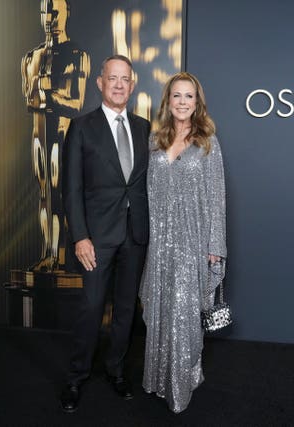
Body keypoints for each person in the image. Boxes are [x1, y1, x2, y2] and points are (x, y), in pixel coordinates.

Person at [59, 55, 151, 413]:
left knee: (127, 308)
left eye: (124, 79)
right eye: (112, 78)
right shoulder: (81, 127)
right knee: (92, 307)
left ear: (133, 84)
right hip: (95, 238)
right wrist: (80, 236)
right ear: (100, 82)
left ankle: (115, 370)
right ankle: (76, 377)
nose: (118, 84)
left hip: (136, 235)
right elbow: (71, 189)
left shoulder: (145, 128)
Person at [139, 72, 227, 413]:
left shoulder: (208, 141)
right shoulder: (154, 140)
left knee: (185, 315)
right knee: (161, 309)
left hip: (193, 241)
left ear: (197, 102)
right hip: (160, 242)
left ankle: (182, 382)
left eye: (189, 97)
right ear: (168, 100)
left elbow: (217, 198)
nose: (182, 102)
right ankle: (159, 379)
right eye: (177, 96)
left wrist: (214, 246)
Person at [21, 0, 90, 271]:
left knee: (61, 196)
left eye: (55, 11)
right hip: (39, 137)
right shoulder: (31, 57)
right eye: (45, 12)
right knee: (43, 196)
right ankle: (48, 254)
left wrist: (47, 93)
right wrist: (47, 96)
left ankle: (63, 257)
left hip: (64, 137)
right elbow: (28, 99)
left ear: (66, 13)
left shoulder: (77, 54)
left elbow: (76, 104)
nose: (49, 17)